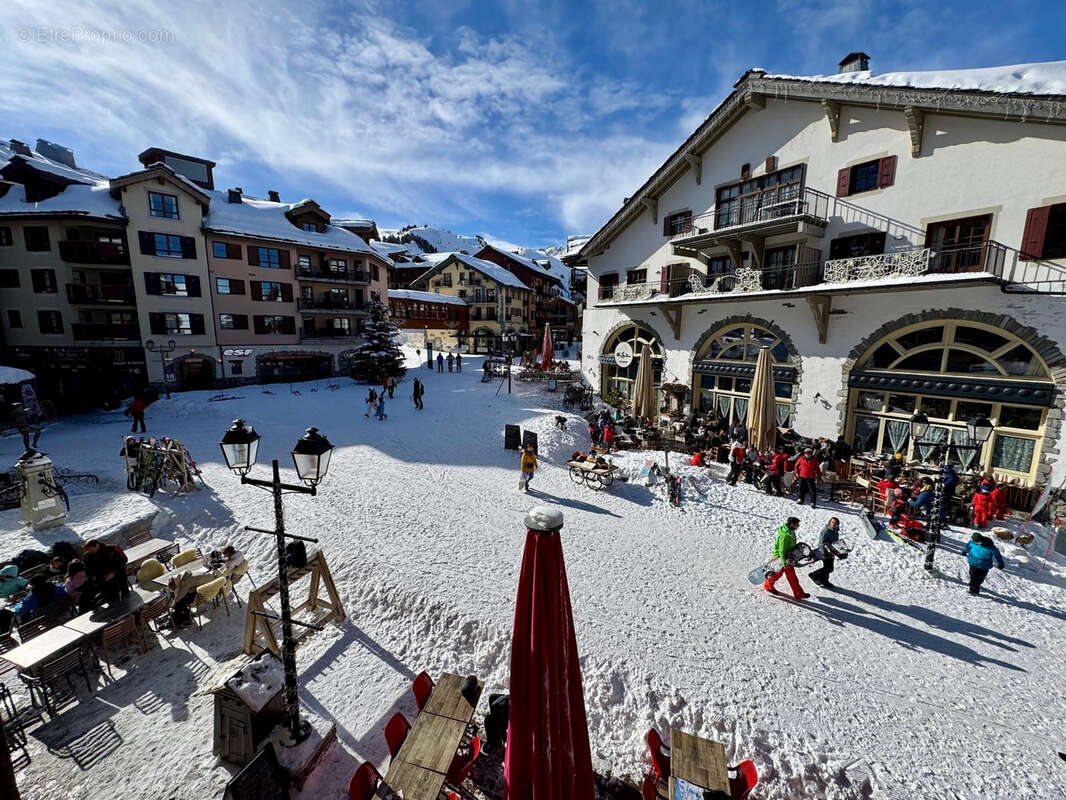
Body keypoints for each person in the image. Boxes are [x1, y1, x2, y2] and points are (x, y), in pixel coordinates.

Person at [763, 517, 809, 599]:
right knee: (777, 574)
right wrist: (784, 563)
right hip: (781, 559)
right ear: (792, 524)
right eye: (797, 524)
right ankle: (768, 586)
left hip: (788, 558)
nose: (798, 526)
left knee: (792, 577)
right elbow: (782, 551)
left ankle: (799, 593)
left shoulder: (790, 531)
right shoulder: (784, 536)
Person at [82, 538, 129, 605]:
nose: (89, 551)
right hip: (104, 582)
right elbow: (88, 571)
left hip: (119, 577)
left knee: (126, 599)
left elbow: (123, 560)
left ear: (97, 545)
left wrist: (113, 572)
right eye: (88, 550)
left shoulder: (113, 549)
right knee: (113, 602)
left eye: (91, 549)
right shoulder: (87, 556)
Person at [809, 517, 841, 588]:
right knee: (829, 568)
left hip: (832, 552)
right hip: (825, 552)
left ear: (837, 525)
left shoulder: (836, 531)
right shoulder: (826, 530)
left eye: (835, 523)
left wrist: (837, 551)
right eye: (832, 522)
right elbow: (821, 542)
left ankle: (825, 581)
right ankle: (814, 575)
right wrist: (823, 552)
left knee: (827, 567)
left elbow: (835, 542)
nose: (833, 524)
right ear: (829, 522)